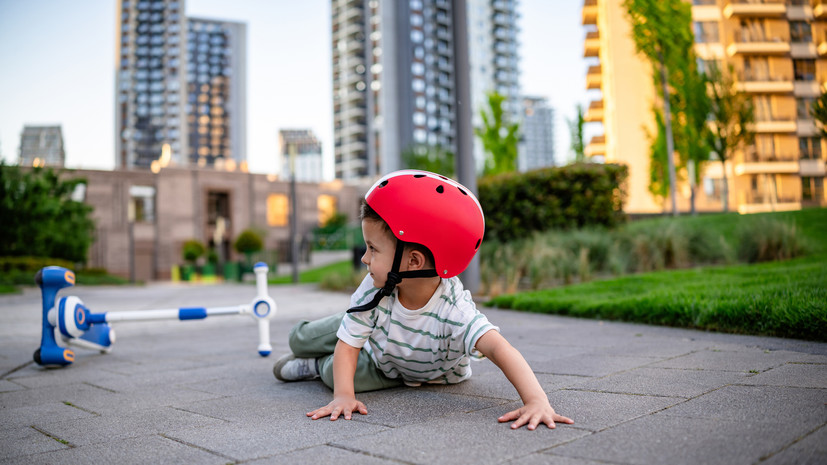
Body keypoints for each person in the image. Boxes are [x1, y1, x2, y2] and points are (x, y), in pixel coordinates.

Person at [273, 170, 573, 431]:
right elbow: (348, 343)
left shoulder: (455, 311)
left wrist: (536, 401)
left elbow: (499, 348)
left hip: (389, 366)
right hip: (375, 330)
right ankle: (304, 345)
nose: (364, 258)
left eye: (372, 249)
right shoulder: (375, 288)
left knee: (333, 373)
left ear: (413, 261)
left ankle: (312, 365)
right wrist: (343, 395)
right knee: (304, 339)